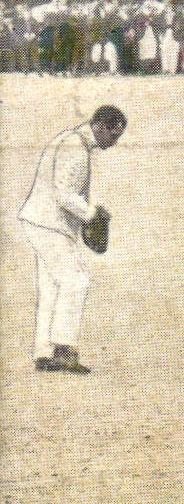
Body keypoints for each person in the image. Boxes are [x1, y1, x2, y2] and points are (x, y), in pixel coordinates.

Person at [19, 105, 126, 373]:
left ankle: (43, 352)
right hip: (49, 224)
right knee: (75, 281)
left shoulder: (72, 140)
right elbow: (64, 194)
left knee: (51, 287)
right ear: (100, 126)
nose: (113, 144)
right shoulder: (76, 147)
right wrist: (92, 214)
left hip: (40, 220)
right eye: (113, 136)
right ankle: (64, 350)